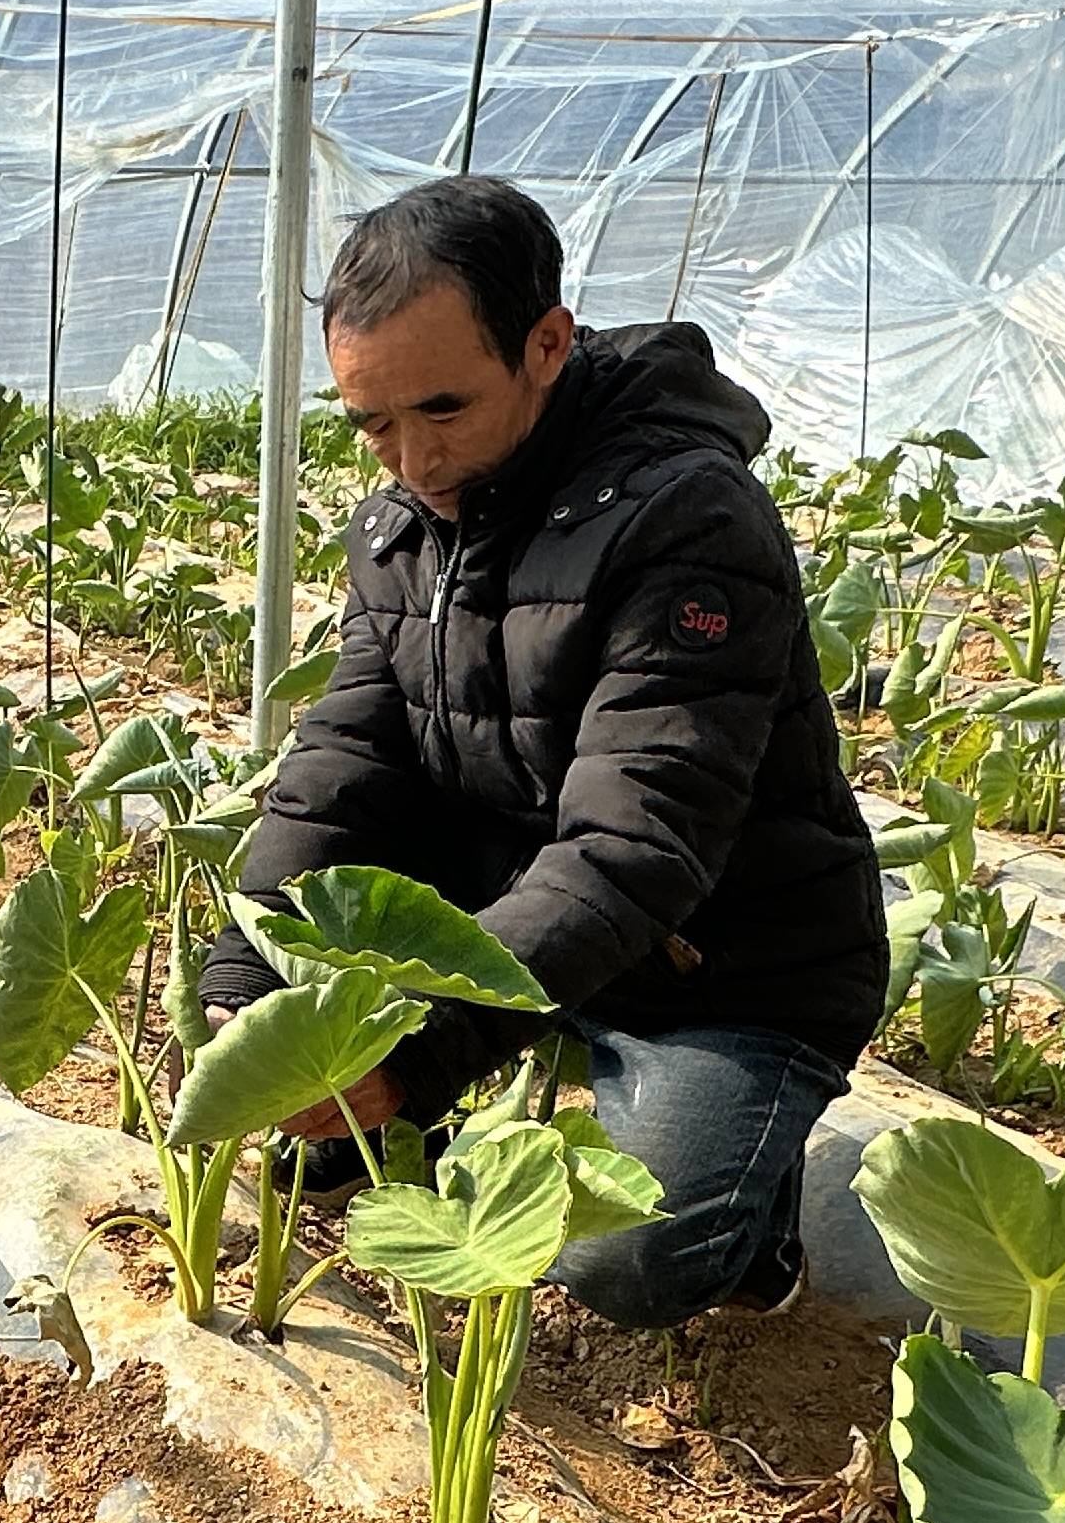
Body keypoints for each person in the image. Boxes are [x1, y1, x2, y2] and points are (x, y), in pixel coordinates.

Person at [195, 174, 884, 1325]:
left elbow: (637, 844)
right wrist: (245, 969)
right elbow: (344, 769)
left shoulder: (689, 520)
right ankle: (497, 1073)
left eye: (443, 410)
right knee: (307, 1150)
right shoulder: (404, 528)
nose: (411, 461)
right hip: (510, 914)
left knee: (626, 1258)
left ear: (547, 344)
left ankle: (757, 1223)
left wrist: (423, 1048)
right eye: (372, 424)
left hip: (716, 964)